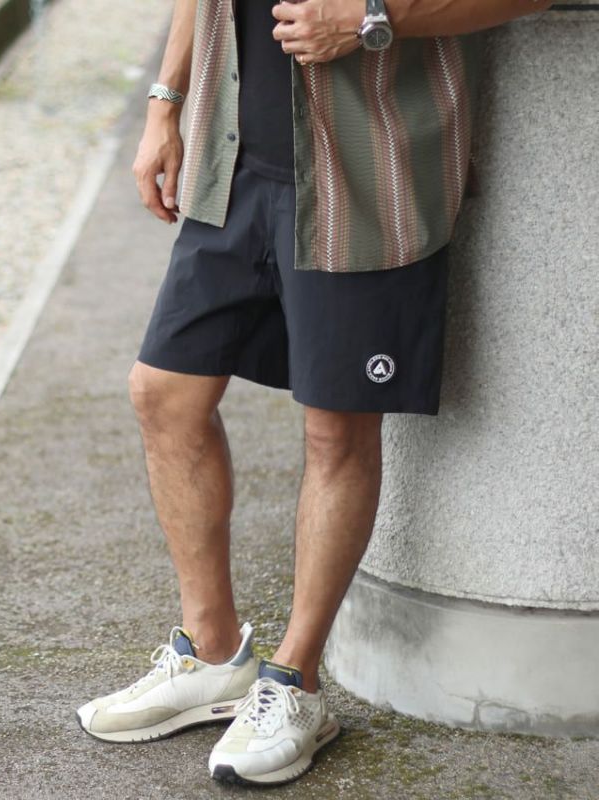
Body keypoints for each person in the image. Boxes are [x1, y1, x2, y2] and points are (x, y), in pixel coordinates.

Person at [76, 0, 552, 787]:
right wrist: (165, 102)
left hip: (364, 178)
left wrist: (372, 15)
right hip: (231, 159)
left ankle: (295, 682)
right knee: (163, 394)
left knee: (337, 431)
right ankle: (213, 654)